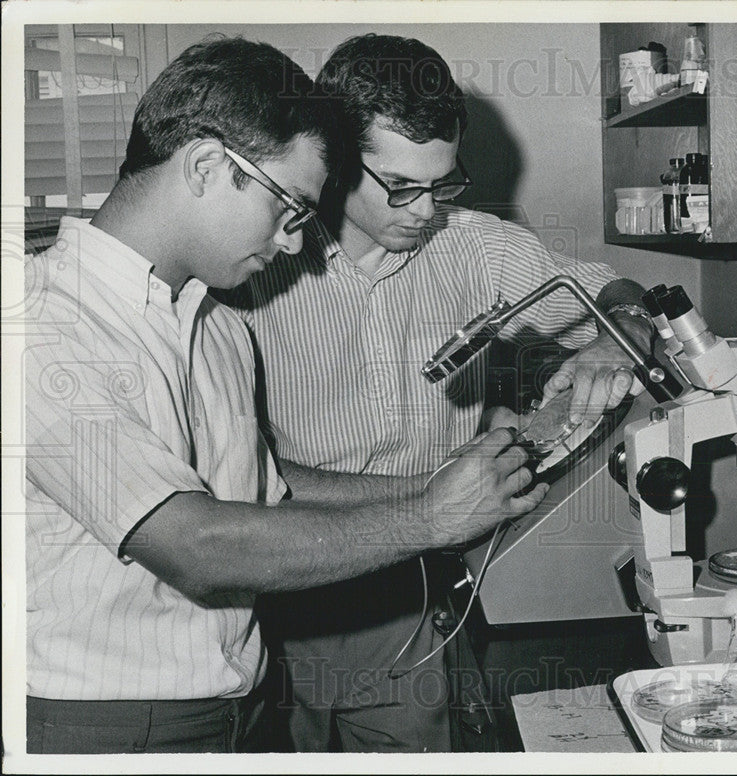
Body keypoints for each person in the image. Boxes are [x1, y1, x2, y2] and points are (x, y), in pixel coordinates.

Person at [23, 36, 545, 755]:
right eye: (290, 207)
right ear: (207, 166)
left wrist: (436, 486)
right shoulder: (40, 322)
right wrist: (429, 517)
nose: (298, 245)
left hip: (233, 708)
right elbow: (197, 545)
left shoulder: (213, 326)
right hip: (102, 725)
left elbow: (272, 496)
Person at [222, 33, 658, 753]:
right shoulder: (252, 261)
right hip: (274, 596)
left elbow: (616, 289)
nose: (425, 211)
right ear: (330, 158)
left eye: (443, 183)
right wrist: (432, 497)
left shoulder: (473, 248)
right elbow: (242, 478)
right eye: (399, 186)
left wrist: (621, 331)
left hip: (408, 603)